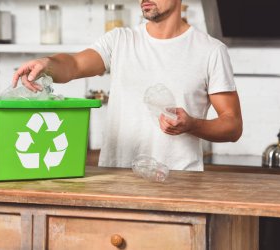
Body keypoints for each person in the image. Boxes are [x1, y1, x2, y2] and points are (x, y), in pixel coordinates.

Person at [12, 0, 243, 171]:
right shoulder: (120, 40)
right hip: (117, 177)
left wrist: (191, 124)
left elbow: (232, 125)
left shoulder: (210, 51)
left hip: (179, 181)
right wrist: (47, 64)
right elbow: (73, 65)